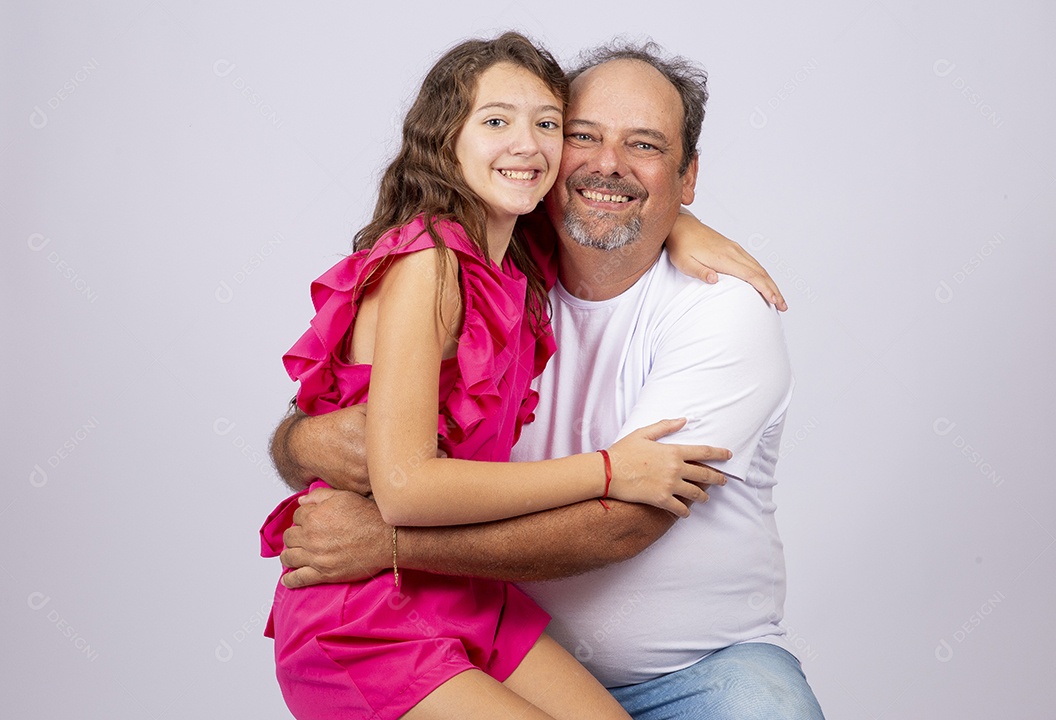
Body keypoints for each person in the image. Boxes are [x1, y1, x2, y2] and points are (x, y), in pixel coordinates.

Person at [271, 40, 825, 719]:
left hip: (670, 658)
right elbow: (394, 465)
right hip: (386, 615)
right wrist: (302, 443)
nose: (605, 162)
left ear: (686, 177)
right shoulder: (463, 265)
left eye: (644, 145)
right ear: (445, 142)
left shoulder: (531, 272)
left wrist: (678, 222)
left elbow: (621, 526)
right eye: (584, 135)